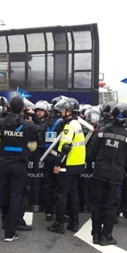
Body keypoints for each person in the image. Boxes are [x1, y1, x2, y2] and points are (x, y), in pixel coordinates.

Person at [0, 96, 43, 242]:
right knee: (15, 198)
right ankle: (10, 234)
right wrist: (33, 114)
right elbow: (41, 128)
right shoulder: (26, 124)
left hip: (2, 164)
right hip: (19, 165)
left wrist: (5, 113)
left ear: (10, 108)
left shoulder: (2, 122)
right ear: (23, 108)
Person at [88, 102, 127, 245]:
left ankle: (95, 233)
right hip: (116, 174)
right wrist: (126, 171)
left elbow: (92, 153)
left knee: (97, 203)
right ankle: (106, 235)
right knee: (111, 205)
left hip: (99, 172)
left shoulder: (101, 131)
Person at [47, 98, 86, 234]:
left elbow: (65, 147)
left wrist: (58, 164)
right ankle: (74, 222)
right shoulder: (77, 123)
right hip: (77, 164)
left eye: (63, 110)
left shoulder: (69, 126)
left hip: (67, 164)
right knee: (73, 194)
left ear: (69, 111)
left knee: (61, 195)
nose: (61, 112)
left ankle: (59, 224)